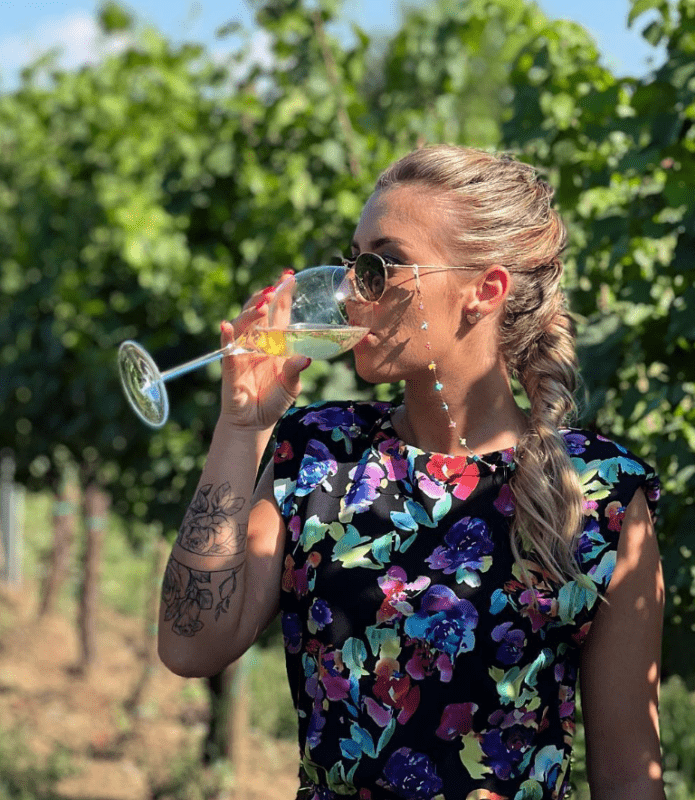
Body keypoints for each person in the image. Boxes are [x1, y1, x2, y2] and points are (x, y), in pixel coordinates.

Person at [158, 145, 665, 800]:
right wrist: (241, 426)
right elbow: (190, 644)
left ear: (484, 290)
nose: (350, 292)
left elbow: (629, 777)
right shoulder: (320, 454)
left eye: (383, 265)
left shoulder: (600, 495)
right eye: (352, 261)